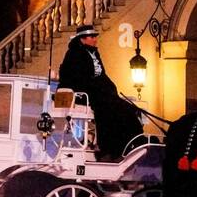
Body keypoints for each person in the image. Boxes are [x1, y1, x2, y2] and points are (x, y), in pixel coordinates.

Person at [56, 24, 143, 161]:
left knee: (129, 108)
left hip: (99, 91)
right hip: (84, 92)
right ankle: (108, 148)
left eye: (95, 36)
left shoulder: (94, 52)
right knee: (108, 108)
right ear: (82, 39)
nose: (95, 39)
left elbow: (102, 75)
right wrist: (101, 89)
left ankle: (129, 143)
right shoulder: (74, 54)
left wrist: (110, 88)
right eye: (92, 37)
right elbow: (78, 78)